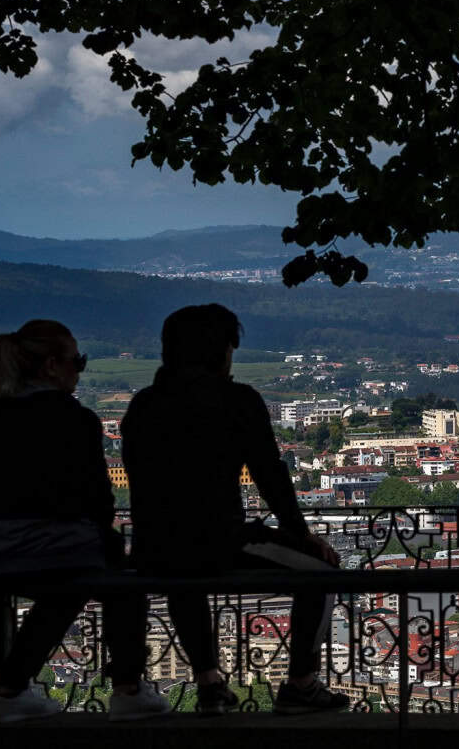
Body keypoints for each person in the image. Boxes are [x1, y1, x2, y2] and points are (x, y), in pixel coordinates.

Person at [122, 304, 349, 716]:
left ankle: (209, 682)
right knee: (321, 574)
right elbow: (271, 476)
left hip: (154, 548)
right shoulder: (235, 400)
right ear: (221, 350)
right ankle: (301, 683)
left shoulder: (143, 406)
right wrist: (301, 535)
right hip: (218, 541)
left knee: (182, 579)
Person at [0, 319, 169, 724]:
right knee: (117, 582)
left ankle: (12, 690)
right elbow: (98, 499)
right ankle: (127, 689)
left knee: (71, 579)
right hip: (33, 547)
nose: (79, 370)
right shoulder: (73, 417)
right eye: (77, 361)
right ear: (52, 366)